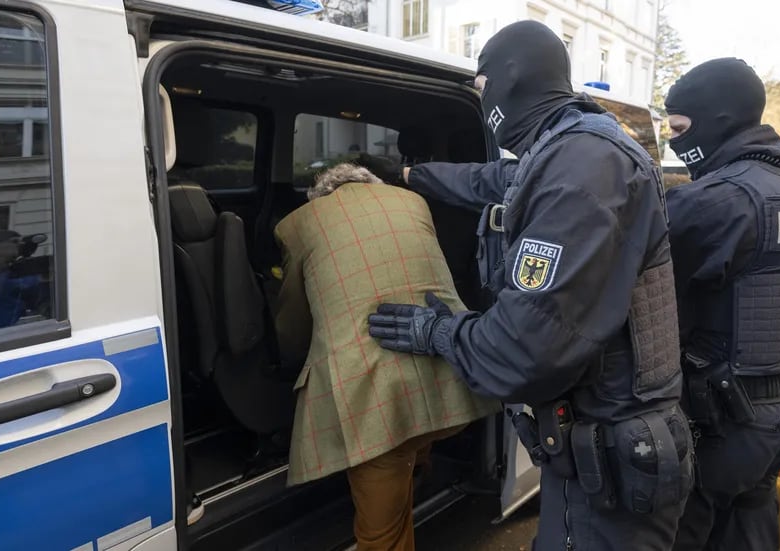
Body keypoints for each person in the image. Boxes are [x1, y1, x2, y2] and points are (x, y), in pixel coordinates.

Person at [364, 21, 693, 551]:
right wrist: (408, 176)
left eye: (481, 85)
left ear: (509, 78)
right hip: (599, 448)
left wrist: (439, 333)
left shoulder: (583, 167)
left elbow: (521, 350)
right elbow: (488, 182)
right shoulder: (566, 149)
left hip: (612, 455)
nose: (482, 98)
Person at [662, 58, 780, 551]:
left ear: (716, 120)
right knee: (750, 535)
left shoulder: (711, 202)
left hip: (717, 424)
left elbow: (651, 321)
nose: (673, 142)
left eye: (680, 128)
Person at [273, 163, 499, 551]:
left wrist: (288, 360)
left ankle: (403, 485)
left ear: (322, 198)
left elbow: (294, 324)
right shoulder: (414, 204)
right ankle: (416, 471)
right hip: (452, 382)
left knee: (381, 536)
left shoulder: (300, 225)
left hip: (377, 402)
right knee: (409, 451)